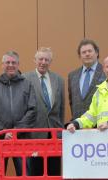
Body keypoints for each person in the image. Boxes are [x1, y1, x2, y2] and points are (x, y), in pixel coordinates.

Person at [0, 51, 36, 176]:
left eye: (13, 62)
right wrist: (4, 131)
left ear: (18, 64)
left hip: (22, 138)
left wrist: (16, 131)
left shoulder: (27, 85)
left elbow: (32, 110)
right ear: (2, 65)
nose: (10, 65)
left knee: (25, 175)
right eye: (7, 62)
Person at [23, 47, 65, 176]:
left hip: (54, 134)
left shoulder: (58, 79)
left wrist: (59, 129)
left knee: (54, 172)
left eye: (46, 59)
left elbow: (61, 108)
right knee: (36, 172)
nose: (43, 62)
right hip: (34, 134)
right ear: (35, 60)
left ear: (50, 62)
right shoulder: (25, 78)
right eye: (40, 59)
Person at [67, 55, 108, 133]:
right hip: (103, 141)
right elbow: (91, 116)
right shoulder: (100, 90)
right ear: (104, 69)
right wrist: (76, 124)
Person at [68, 39, 106, 120]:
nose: (87, 54)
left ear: (97, 53)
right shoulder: (72, 76)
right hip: (77, 126)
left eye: (90, 51)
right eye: (84, 52)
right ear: (80, 56)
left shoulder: (106, 73)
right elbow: (72, 102)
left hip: (100, 126)